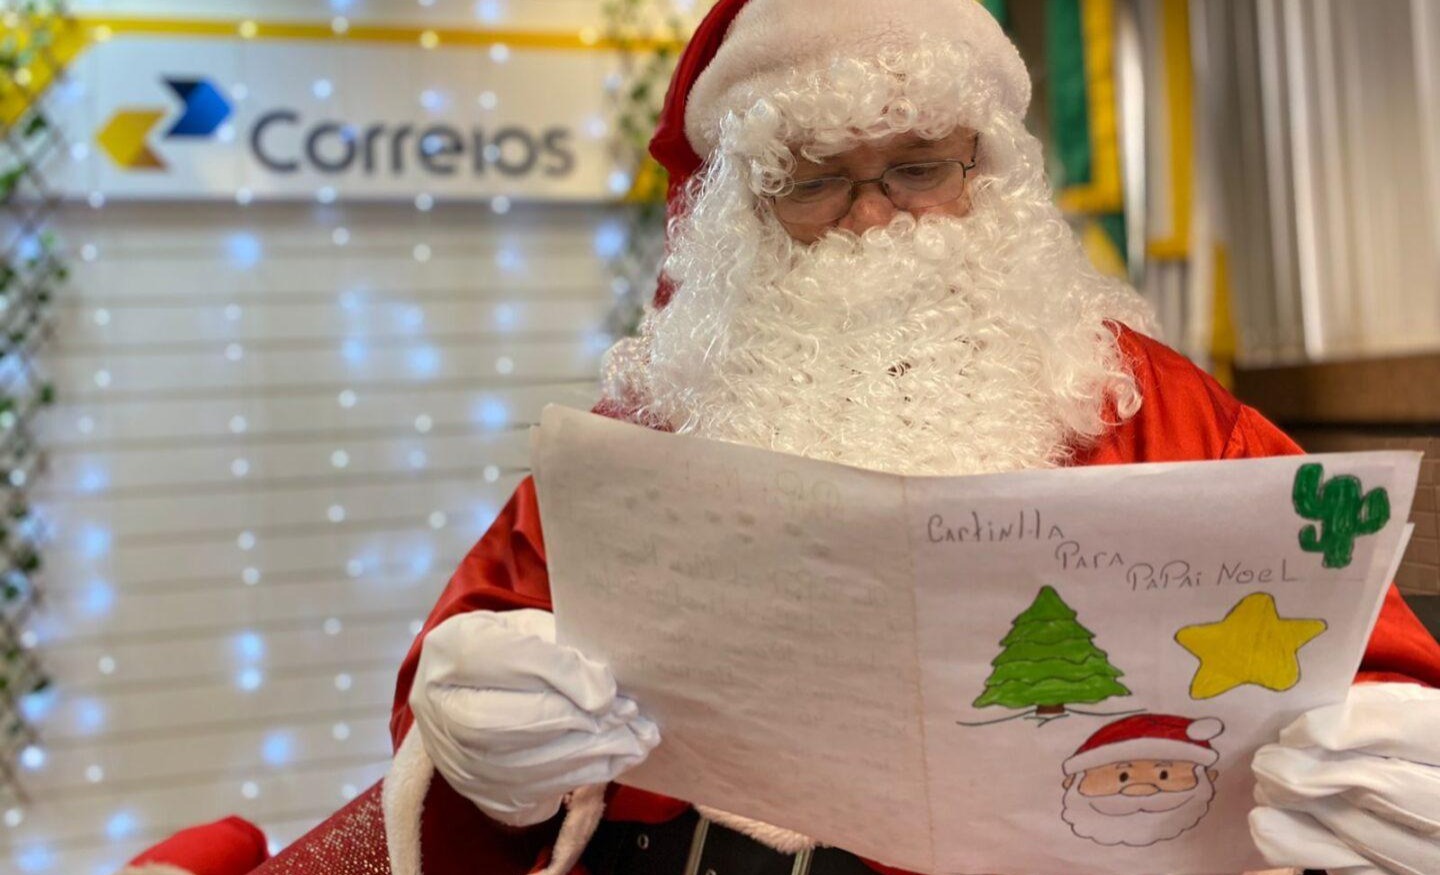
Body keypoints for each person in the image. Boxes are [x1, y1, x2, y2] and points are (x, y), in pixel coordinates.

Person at [384, 2, 1440, 874]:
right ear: (744, 208)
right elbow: (481, 638)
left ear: (990, 170)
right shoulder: (656, 418)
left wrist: (1392, 760)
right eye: (813, 180)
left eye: (919, 168)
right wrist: (484, 724)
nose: (872, 218)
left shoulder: (1154, 407)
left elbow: (1360, 651)